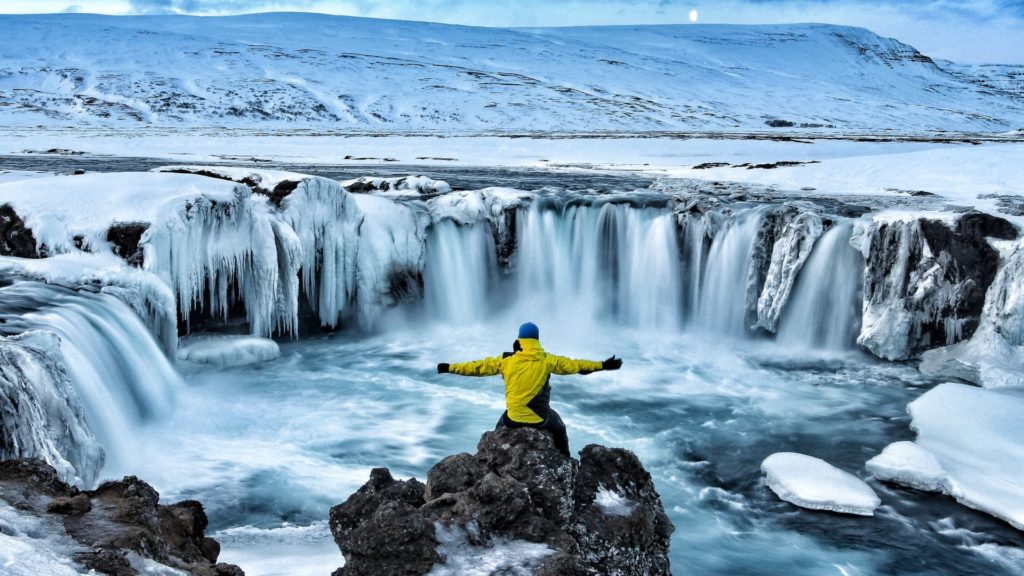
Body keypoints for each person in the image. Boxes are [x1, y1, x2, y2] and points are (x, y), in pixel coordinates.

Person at [437, 322, 622, 457]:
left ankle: (491, 449)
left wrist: (449, 367)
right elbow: (577, 366)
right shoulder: (547, 360)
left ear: (519, 340)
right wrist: (603, 365)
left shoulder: (505, 361)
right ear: (536, 340)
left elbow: (476, 368)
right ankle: (565, 458)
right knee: (559, 425)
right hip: (540, 419)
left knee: (501, 422)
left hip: (513, 420)